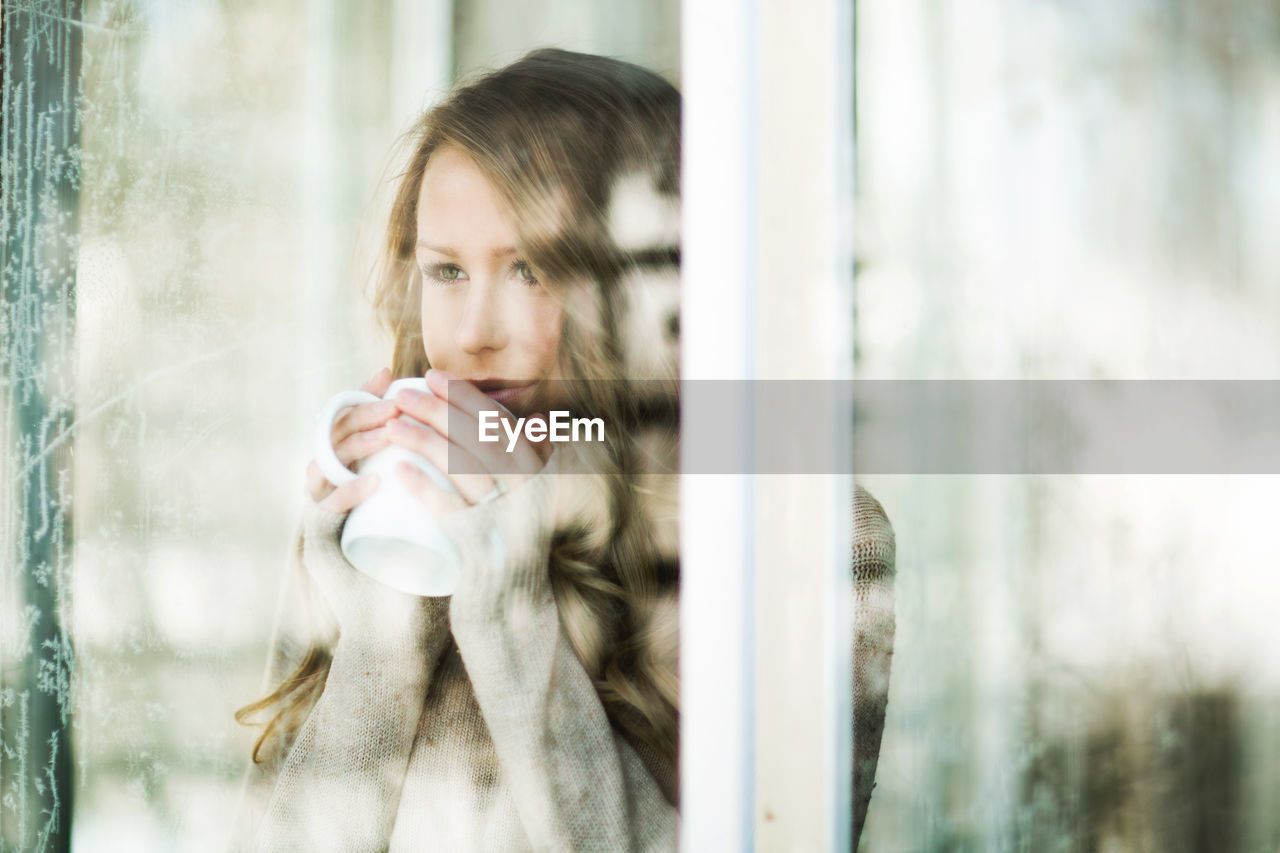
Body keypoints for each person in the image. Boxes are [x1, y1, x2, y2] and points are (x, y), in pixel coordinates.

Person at [232, 48, 895, 851]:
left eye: (531, 270)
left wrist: (509, 590)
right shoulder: (382, 515)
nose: (474, 332)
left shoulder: (807, 538)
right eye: (446, 271)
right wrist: (382, 620)